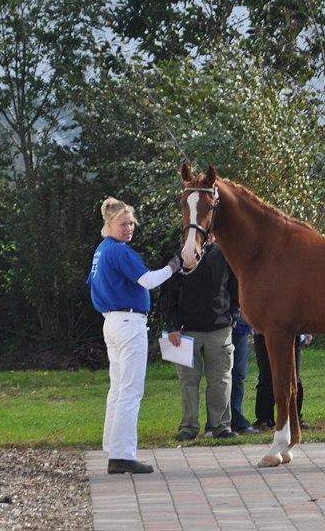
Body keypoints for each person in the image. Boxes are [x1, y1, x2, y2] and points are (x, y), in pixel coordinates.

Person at [88, 197, 182, 475]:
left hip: (113, 322)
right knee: (130, 391)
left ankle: (113, 446)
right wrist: (174, 266)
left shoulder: (102, 250)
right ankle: (122, 455)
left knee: (117, 389)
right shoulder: (119, 251)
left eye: (131, 223)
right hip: (128, 323)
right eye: (123, 223)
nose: (129, 228)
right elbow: (148, 281)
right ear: (109, 224)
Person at [159, 238, 255, 440]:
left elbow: (237, 288)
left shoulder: (224, 253)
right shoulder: (178, 255)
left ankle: (221, 426)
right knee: (188, 382)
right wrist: (173, 326)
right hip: (185, 332)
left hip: (219, 328)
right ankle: (188, 427)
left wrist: (233, 317)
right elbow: (168, 294)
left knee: (221, 380)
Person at [253, 333, 312, 430]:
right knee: (267, 374)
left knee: (293, 375)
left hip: (291, 332)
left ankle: (294, 418)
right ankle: (264, 419)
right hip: (264, 331)